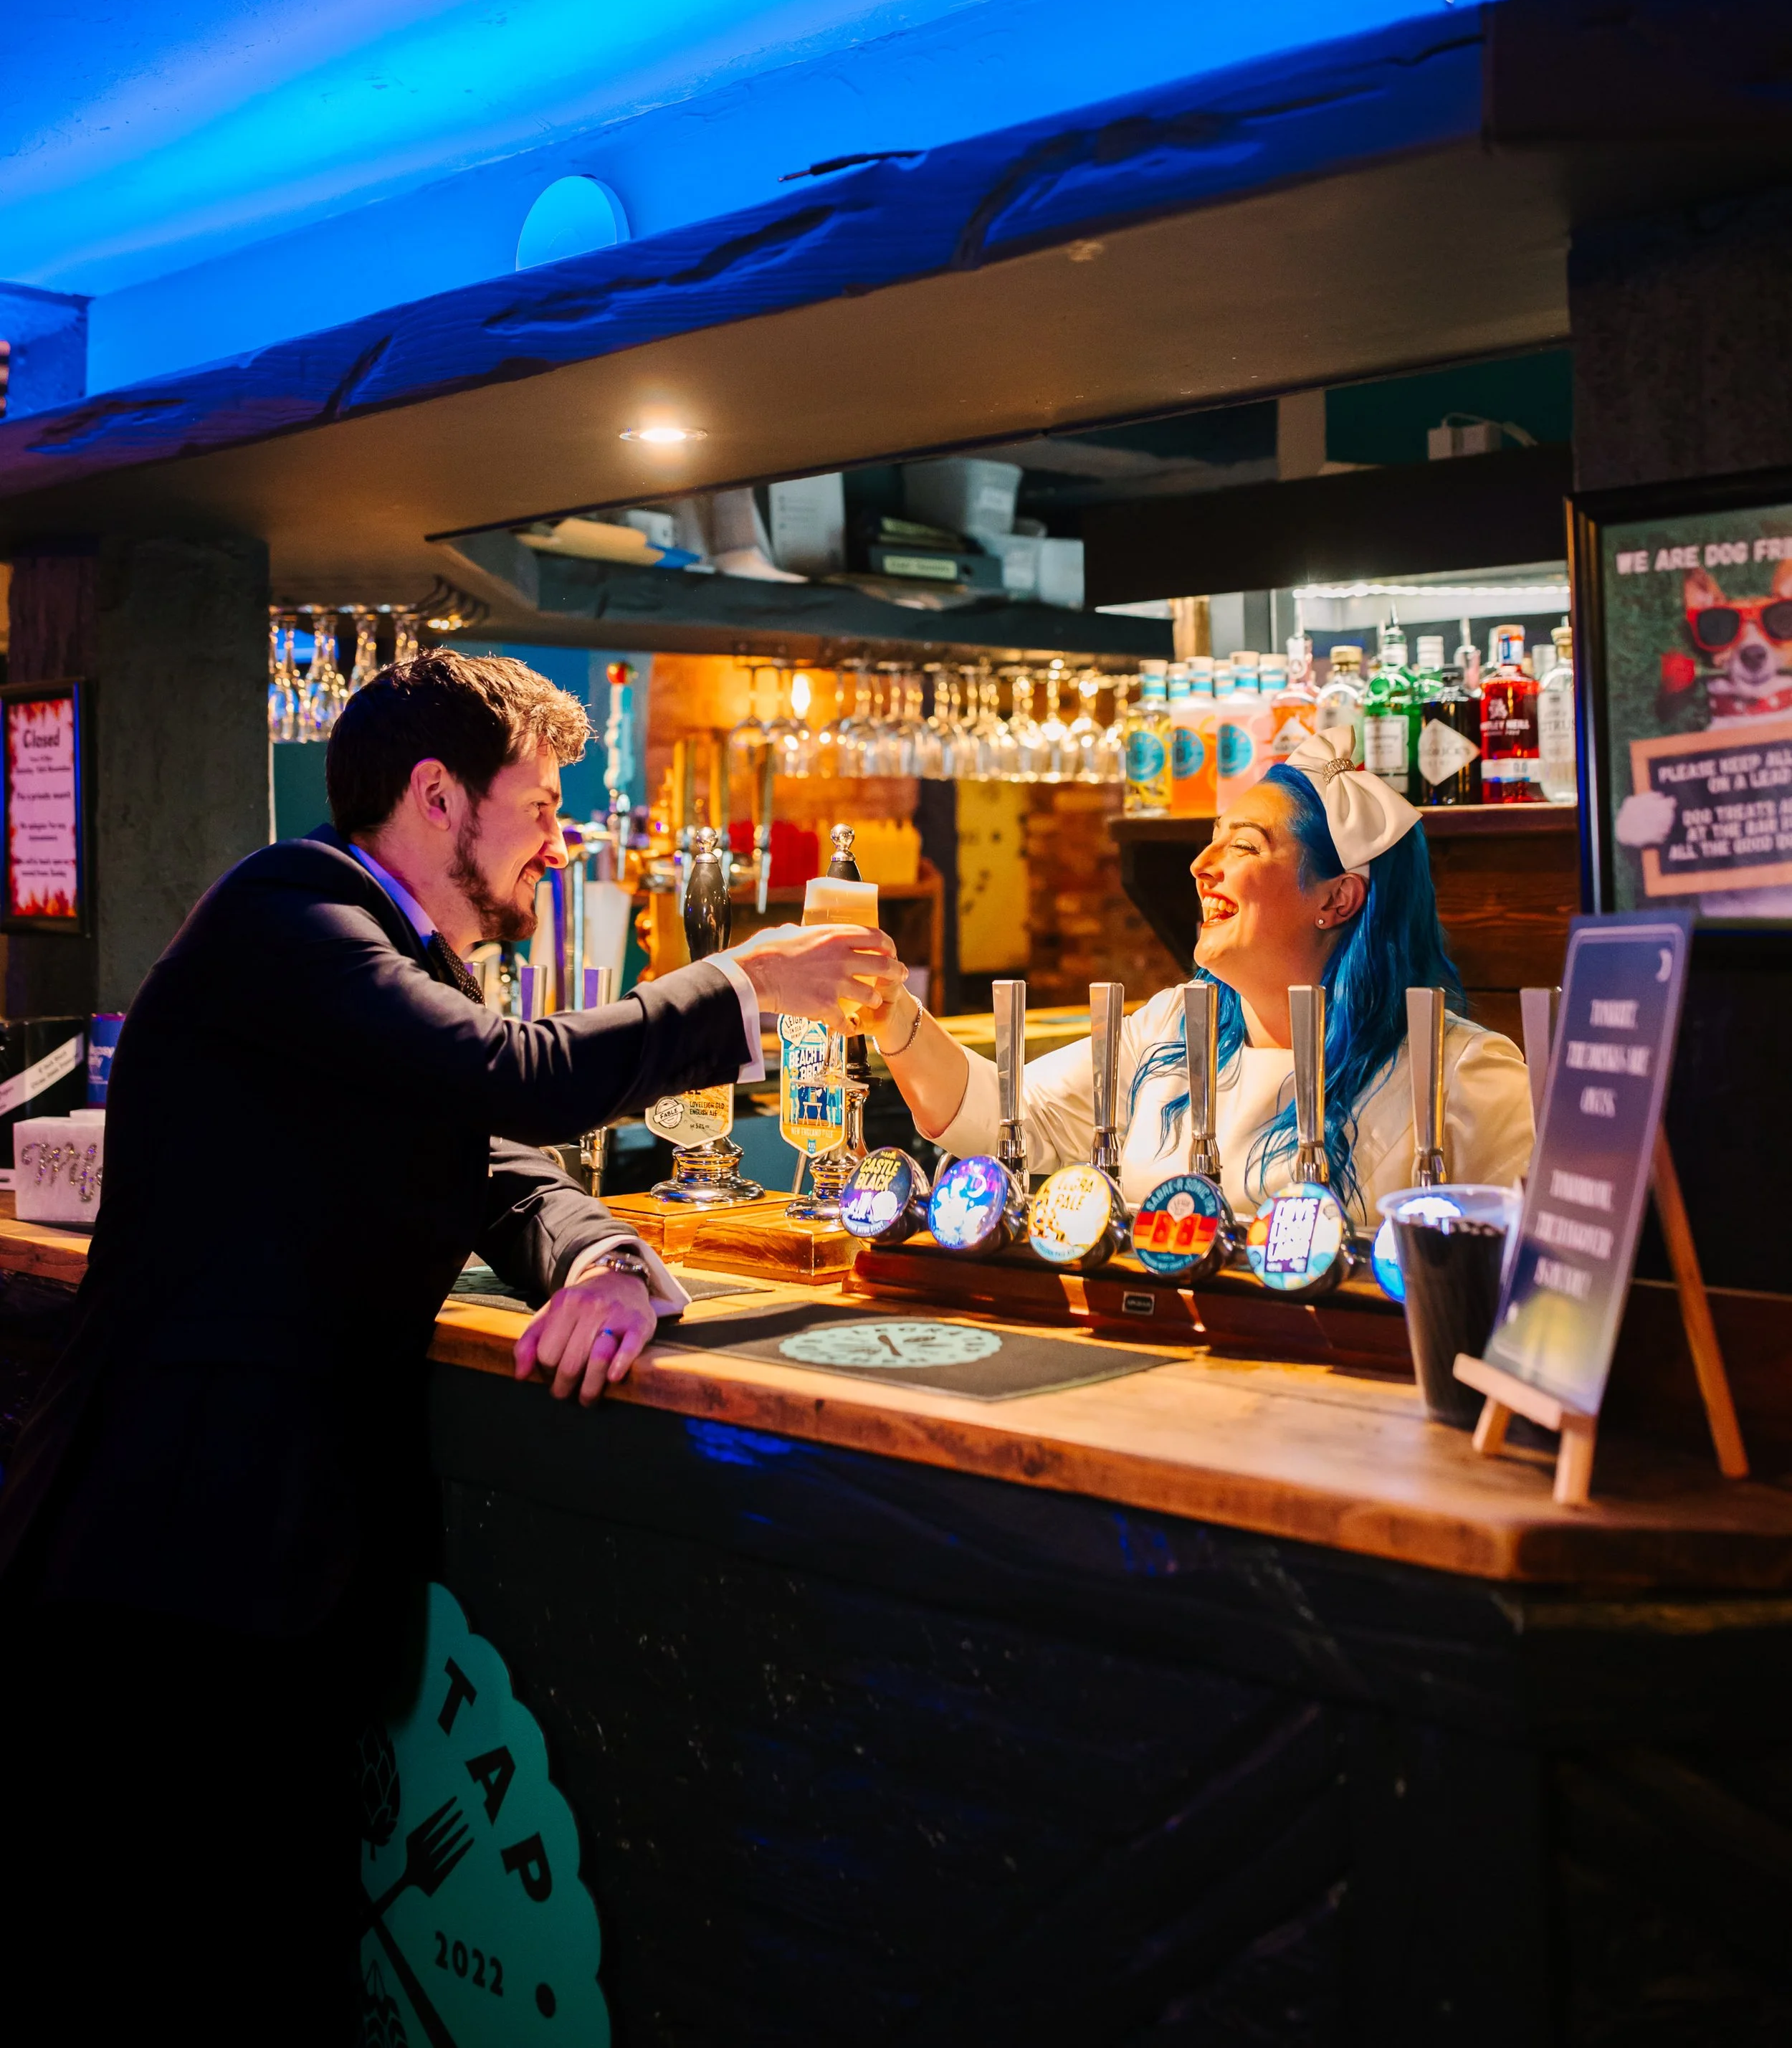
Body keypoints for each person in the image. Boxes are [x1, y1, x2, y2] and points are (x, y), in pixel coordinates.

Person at [0, 649, 902, 2044]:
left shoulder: (376, 969)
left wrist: (603, 1256)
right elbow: (505, 1079)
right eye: (538, 801)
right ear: (437, 797)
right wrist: (742, 987)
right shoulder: (292, 918)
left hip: (256, 1574)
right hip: (170, 1565)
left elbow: (488, 1153)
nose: (558, 836)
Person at [864, 725, 1533, 1219]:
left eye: (1244, 844)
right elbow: (996, 1114)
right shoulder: (1172, 1030)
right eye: (1213, 836)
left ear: (1336, 898)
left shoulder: (1461, 1075)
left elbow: (1530, 1276)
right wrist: (887, 1005)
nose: (1200, 864)